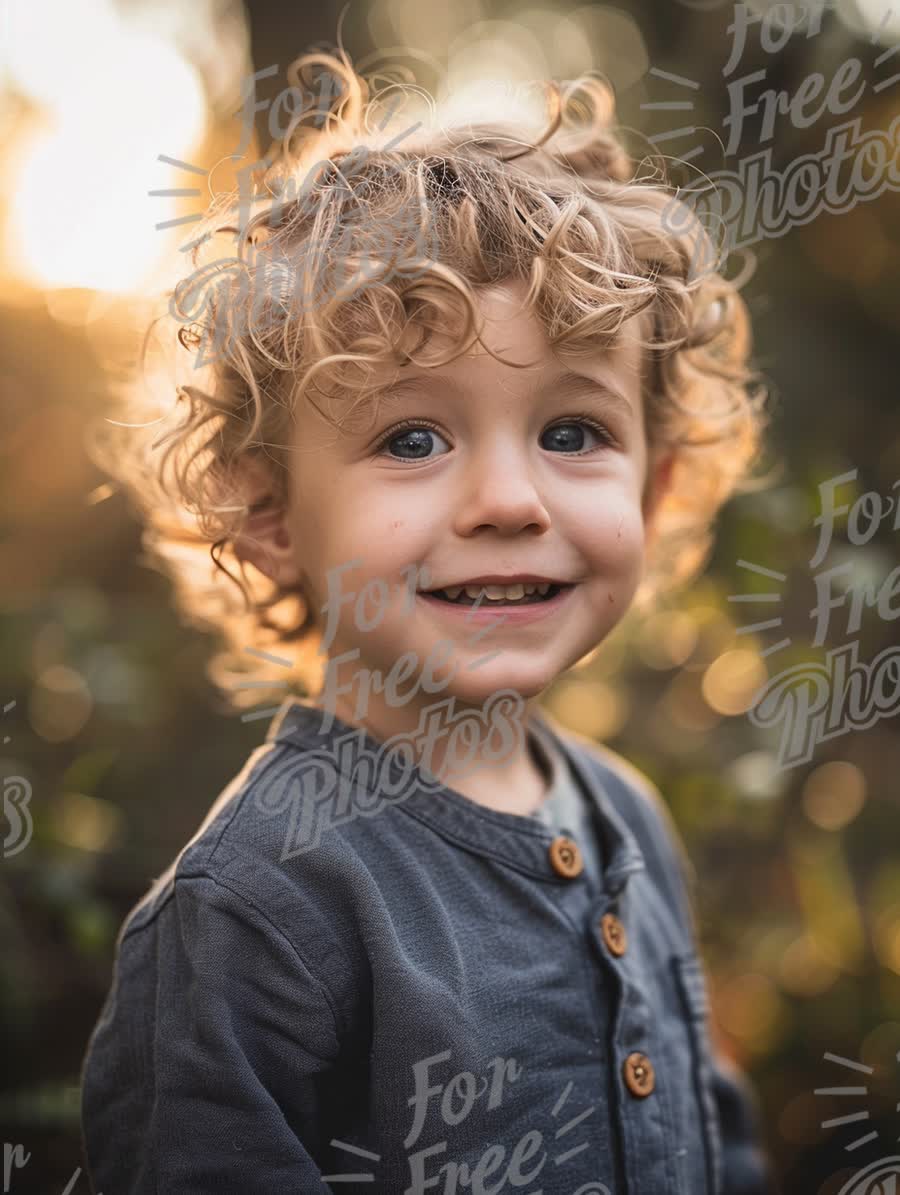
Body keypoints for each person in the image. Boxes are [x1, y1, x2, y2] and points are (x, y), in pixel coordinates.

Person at [80, 42, 774, 1195]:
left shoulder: (629, 822)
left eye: (573, 432)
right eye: (412, 438)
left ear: (652, 487)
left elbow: (713, 1139)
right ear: (271, 514)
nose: (510, 499)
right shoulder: (256, 913)